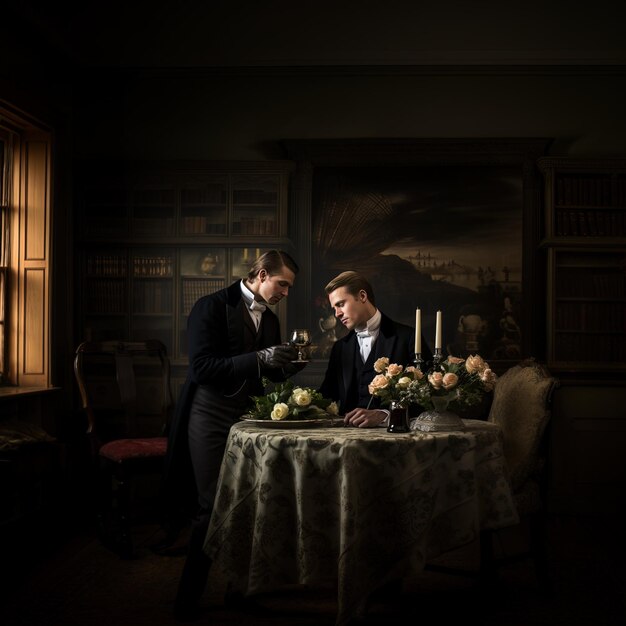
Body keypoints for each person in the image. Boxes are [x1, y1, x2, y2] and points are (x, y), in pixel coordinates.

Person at [163, 249, 304, 620]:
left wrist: (288, 365)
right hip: (208, 415)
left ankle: (239, 591)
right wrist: (262, 358)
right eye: (282, 284)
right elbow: (203, 368)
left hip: (248, 418)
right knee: (211, 507)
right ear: (260, 274)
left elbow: (268, 376)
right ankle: (186, 601)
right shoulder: (210, 307)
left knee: (252, 504)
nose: (285, 292)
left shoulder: (270, 320)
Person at [319, 271, 432, 428]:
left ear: (362, 296)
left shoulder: (408, 338)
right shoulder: (340, 348)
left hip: (395, 441)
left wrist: (386, 415)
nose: (337, 314)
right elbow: (326, 396)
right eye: (334, 308)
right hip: (345, 441)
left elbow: (428, 396)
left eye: (340, 304)